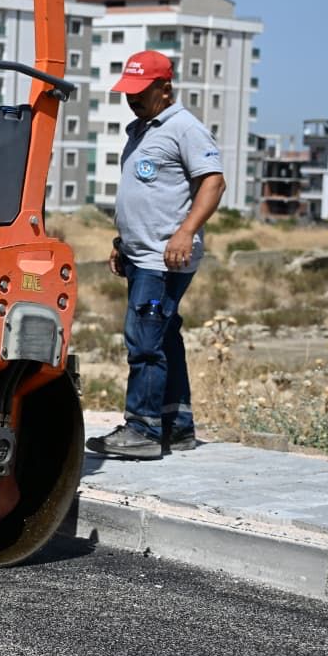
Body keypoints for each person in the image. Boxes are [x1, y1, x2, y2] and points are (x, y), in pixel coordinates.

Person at [87, 50, 225, 460]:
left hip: (164, 259)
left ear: (166, 89)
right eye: (128, 91)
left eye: (140, 92)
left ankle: (142, 430)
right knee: (163, 336)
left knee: (144, 341)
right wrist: (121, 244)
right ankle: (175, 426)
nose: (132, 99)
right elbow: (144, 195)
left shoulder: (185, 128)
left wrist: (185, 232)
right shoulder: (141, 128)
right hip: (141, 254)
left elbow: (213, 183)